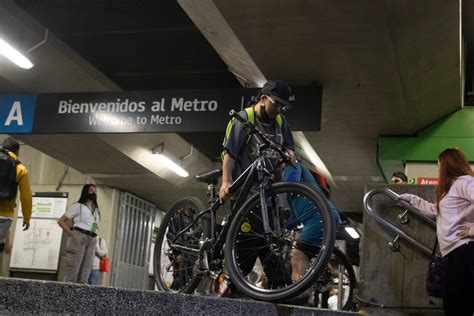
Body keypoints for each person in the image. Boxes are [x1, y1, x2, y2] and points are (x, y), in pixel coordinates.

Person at [219, 80, 295, 290]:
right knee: (253, 239)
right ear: (263, 99)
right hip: (246, 192)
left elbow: (290, 147)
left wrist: (289, 154)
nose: (279, 109)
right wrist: (226, 181)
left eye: (283, 106)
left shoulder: (281, 122)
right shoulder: (244, 119)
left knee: (266, 238)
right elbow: (230, 154)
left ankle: (240, 287)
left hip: (269, 193)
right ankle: (279, 286)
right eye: (276, 104)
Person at [398, 148, 474, 315]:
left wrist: (471, 230)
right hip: (454, 253)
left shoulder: (465, 182)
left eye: (439, 165)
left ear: (448, 164)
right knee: (454, 304)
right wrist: (411, 199)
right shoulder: (451, 188)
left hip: (464, 250)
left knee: (461, 305)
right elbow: (435, 210)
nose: (438, 169)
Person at [283, 161, 341, 304]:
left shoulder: (292, 164)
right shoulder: (301, 197)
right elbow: (295, 219)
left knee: (298, 255)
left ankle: (300, 294)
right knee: (305, 253)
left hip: (318, 216)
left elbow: (291, 182)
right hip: (324, 214)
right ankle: (303, 293)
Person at [58, 184, 100, 283]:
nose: (94, 192)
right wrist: (71, 233)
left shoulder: (96, 210)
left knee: (86, 271)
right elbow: (61, 221)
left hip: (92, 239)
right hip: (79, 236)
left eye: (95, 191)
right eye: (91, 190)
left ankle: (80, 295)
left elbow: (94, 225)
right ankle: (67, 294)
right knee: (73, 270)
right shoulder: (78, 206)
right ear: (85, 191)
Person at [0, 137, 32, 246]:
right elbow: (26, 196)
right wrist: (26, 218)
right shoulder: (20, 168)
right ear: (17, 152)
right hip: (4, 216)